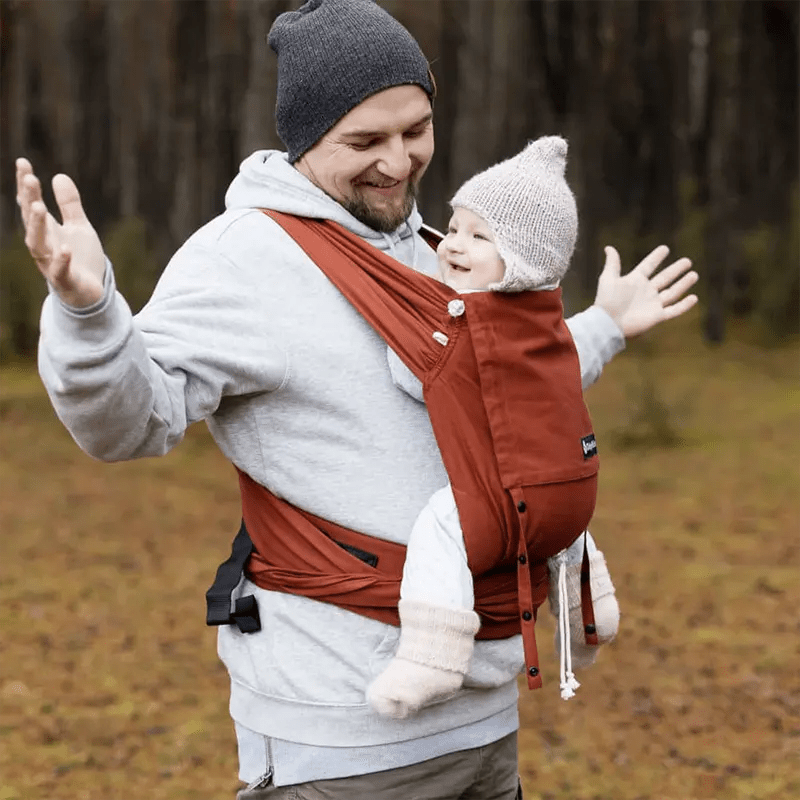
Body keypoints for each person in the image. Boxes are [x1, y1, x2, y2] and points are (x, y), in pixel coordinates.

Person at [15, 1, 698, 797]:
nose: (400, 162)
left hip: (486, 718)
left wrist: (605, 327)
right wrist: (89, 313)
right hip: (337, 733)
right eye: (365, 141)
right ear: (304, 139)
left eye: (417, 129)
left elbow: (509, 395)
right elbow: (130, 424)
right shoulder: (244, 262)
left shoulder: (442, 253)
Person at [366, 136, 620, 720]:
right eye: (453, 228)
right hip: (575, 488)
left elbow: (413, 379)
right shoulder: (546, 321)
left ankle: (431, 657)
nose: (453, 245)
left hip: (515, 497)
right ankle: (592, 613)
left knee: (440, 526)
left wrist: (405, 324)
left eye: (479, 237)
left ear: (525, 262)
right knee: (559, 530)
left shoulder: (469, 321)